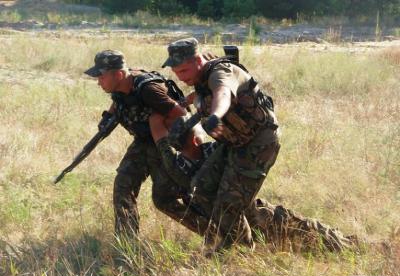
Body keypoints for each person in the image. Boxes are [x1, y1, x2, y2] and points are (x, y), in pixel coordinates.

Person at [150, 113, 357, 253]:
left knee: (297, 239)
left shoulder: (176, 167)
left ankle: (349, 245)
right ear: (196, 140)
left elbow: (163, 148)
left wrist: (158, 123)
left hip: (233, 220)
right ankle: (348, 245)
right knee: (301, 231)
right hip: (249, 214)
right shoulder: (214, 151)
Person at [162, 37, 281, 252]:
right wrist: (184, 103)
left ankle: (240, 253)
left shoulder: (221, 73)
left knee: (229, 204)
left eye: (184, 71)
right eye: (177, 73)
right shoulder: (200, 78)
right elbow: (200, 95)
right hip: (234, 144)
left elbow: (223, 93)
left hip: (258, 146)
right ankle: (243, 237)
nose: (180, 77)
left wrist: (216, 115)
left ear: (198, 60)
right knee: (202, 188)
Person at [84, 49, 199, 236]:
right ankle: (126, 242)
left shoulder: (149, 90)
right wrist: (110, 115)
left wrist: (160, 128)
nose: (98, 82)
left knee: (166, 198)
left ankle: (214, 231)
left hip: (165, 142)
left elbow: (181, 114)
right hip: (144, 141)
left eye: (101, 77)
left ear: (119, 74)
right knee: (123, 185)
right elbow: (118, 99)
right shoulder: (121, 85)